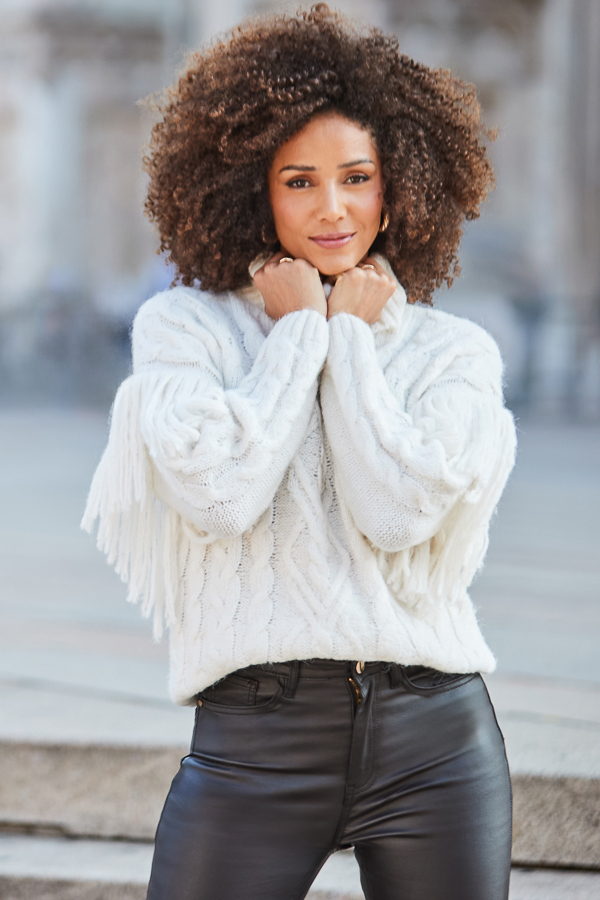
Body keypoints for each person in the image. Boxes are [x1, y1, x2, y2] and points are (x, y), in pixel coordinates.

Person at [82, 5, 516, 899]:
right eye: (299, 181)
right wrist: (298, 337)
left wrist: (347, 339)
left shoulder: (453, 351)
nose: (332, 208)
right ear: (252, 188)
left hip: (436, 740)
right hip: (255, 741)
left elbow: (397, 514)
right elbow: (219, 494)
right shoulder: (184, 329)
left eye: (357, 177)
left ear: (398, 186)